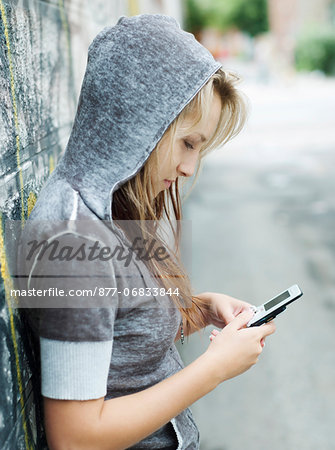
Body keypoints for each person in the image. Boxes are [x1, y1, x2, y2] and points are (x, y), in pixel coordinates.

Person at [19, 14, 276, 450]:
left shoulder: (111, 208)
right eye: (188, 142)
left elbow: (115, 333)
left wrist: (198, 309)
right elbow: (75, 437)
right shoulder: (72, 241)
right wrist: (214, 368)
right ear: (138, 121)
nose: (189, 168)